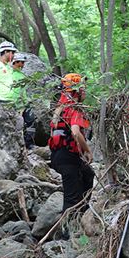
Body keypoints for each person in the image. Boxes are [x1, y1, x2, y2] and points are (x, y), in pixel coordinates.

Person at [49, 73, 94, 213]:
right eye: (83, 89)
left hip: (58, 156)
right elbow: (75, 132)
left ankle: (83, 211)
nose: (85, 92)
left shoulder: (60, 108)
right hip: (68, 158)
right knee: (71, 199)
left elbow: (52, 133)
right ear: (77, 91)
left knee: (88, 174)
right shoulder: (75, 108)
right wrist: (87, 150)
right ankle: (67, 231)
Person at [9, 53, 35, 148]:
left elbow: (22, 91)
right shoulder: (11, 74)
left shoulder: (21, 74)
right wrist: (18, 105)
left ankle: (29, 143)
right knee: (17, 125)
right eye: (22, 62)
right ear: (16, 62)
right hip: (16, 105)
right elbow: (15, 92)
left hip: (24, 103)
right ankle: (20, 145)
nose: (23, 65)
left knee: (31, 121)